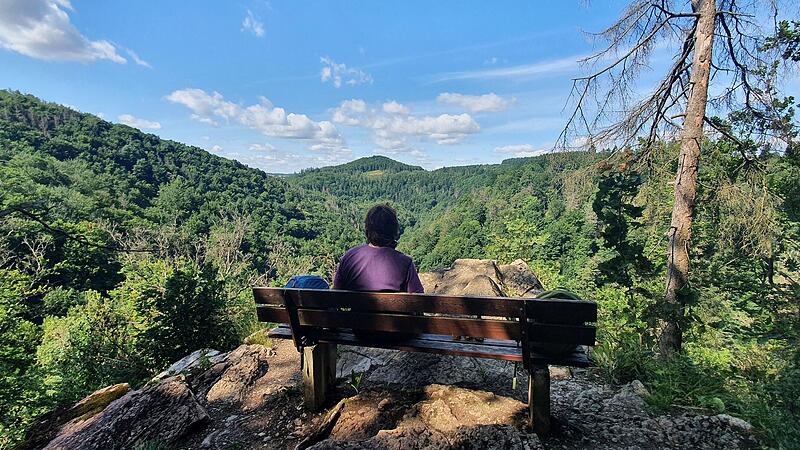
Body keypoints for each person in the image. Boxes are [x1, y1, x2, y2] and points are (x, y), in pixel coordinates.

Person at [333, 203, 424, 294]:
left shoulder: (349, 257)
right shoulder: (405, 263)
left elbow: (335, 295)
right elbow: (419, 300)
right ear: (394, 230)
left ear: (368, 229)